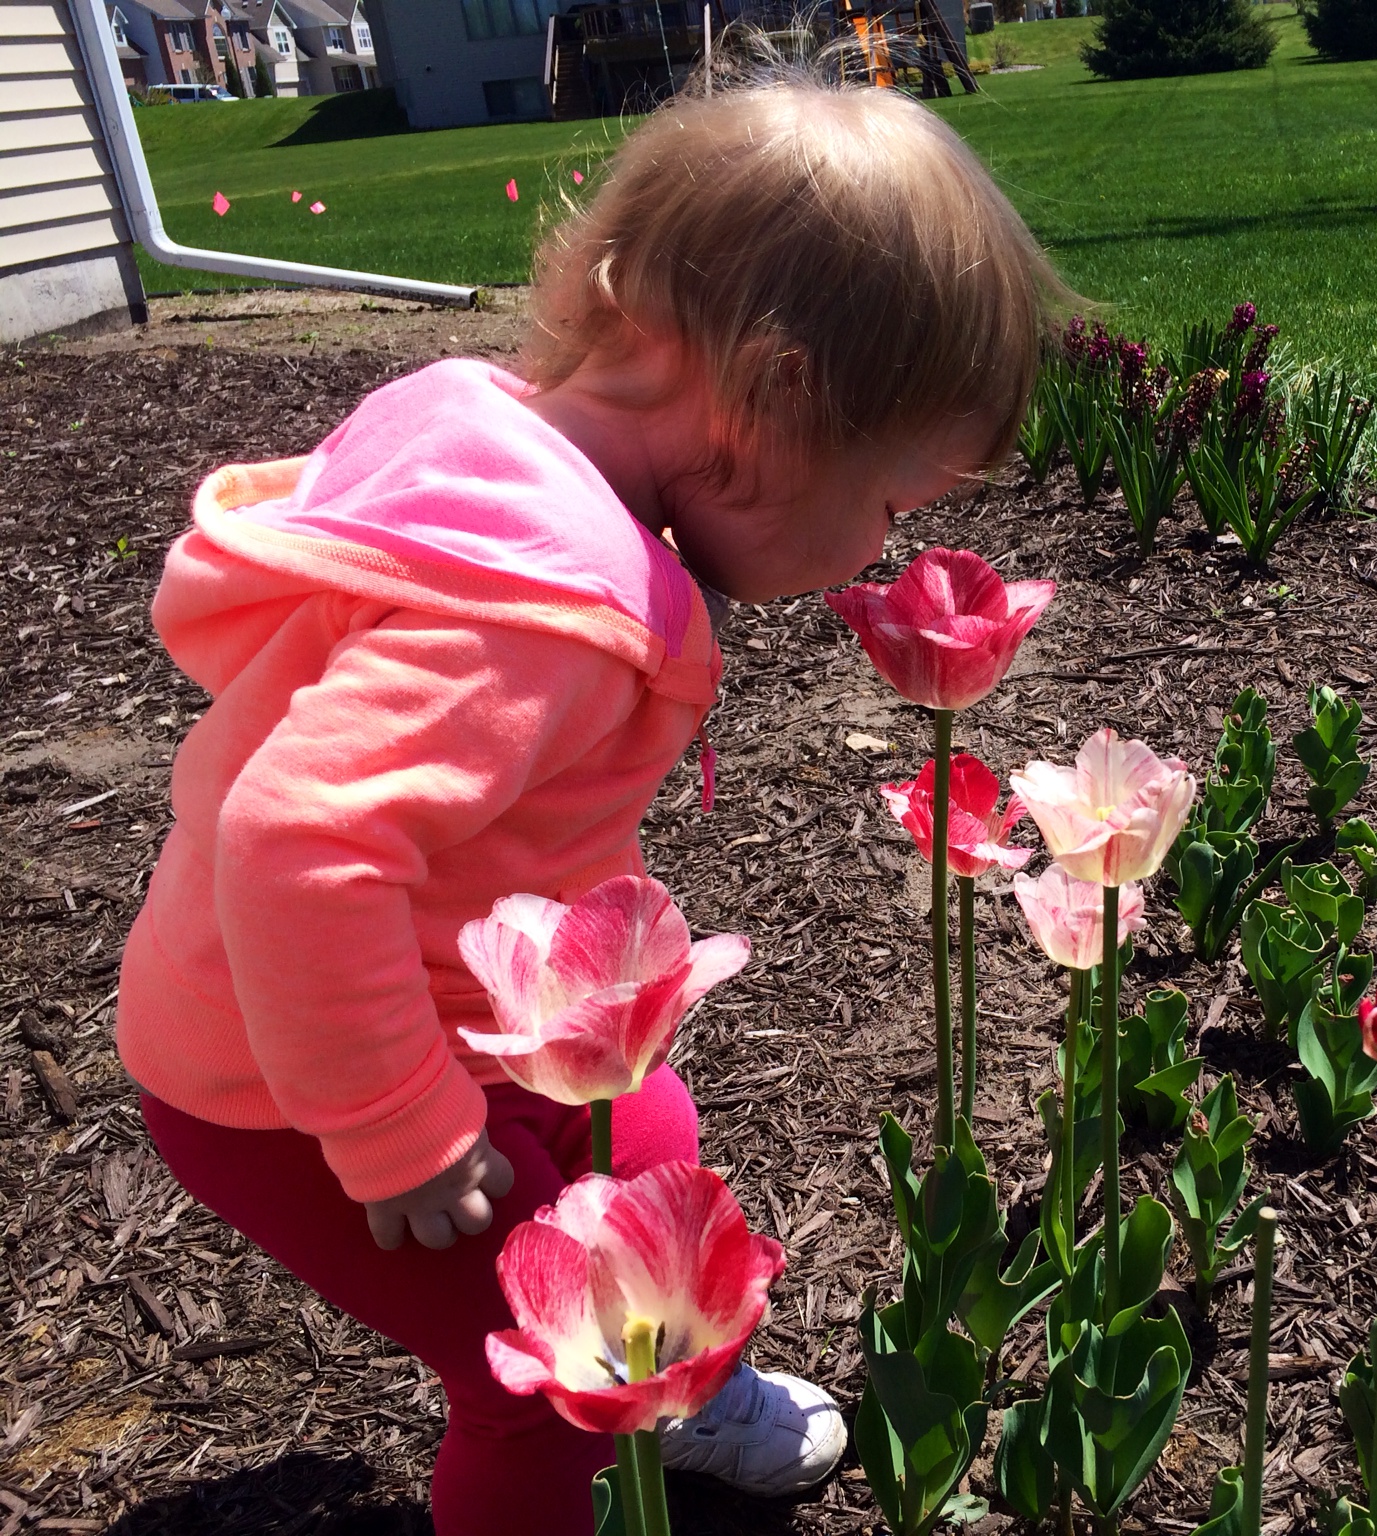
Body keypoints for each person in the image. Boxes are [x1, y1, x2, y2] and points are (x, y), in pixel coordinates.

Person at [116, 73, 1063, 1536]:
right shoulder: (546, 615)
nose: (885, 548)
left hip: (410, 991)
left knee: (650, 1134)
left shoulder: (490, 431)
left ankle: (667, 1385)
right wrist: (400, 1128)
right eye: (892, 508)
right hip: (285, 1071)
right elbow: (297, 841)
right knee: (532, 1385)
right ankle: (592, 1416)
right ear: (773, 397)